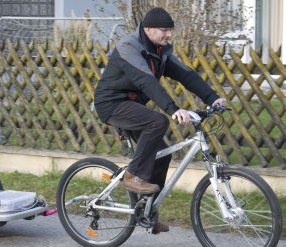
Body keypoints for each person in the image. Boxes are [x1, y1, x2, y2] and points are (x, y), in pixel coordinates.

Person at [94, 7, 226, 233]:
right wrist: (173, 108)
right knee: (158, 121)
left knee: (162, 155)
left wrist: (213, 98)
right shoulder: (129, 47)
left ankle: (147, 213)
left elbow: (187, 75)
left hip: (133, 105)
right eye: (164, 30)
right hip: (112, 104)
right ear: (148, 29)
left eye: (170, 31)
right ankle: (132, 176)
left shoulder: (160, 51)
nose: (169, 35)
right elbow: (146, 81)